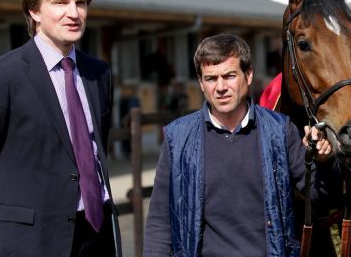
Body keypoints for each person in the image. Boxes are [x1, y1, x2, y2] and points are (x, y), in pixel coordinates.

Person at [143, 33, 336, 257]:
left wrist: (323, 161)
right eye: (211, 78)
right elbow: (159, 220)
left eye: (229, 75)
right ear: (201, 83)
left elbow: (322, 198)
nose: (221, 87)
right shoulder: (178, 138)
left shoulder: (280, 131)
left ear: (249, 75)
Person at [0, 0, 121, 256]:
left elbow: (91, 152)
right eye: (60, 2)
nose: (73, 13)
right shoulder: (1, 76)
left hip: (95, 236)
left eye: (80, 2)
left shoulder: (99, 74)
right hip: (27, 243)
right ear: (34, 11)